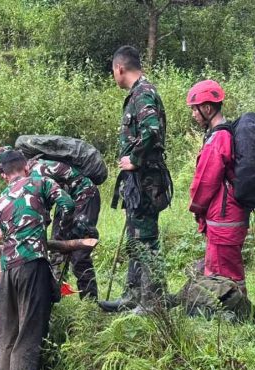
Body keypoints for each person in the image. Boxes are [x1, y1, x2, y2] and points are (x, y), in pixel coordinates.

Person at [0, 149, 75, 370]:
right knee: (30, 327)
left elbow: (6, 232)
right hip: (32, 263)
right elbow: (68, 204)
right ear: (26, 167)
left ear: (5, 175)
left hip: (7, 270)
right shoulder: (42, 182)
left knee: (7, 329)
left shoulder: (1, 200)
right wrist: (49, 219)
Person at [100, 45, 172, 314]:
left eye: (113, 71)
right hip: (138, 183)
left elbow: (152, 130)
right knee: (135, 237)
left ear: (120, 68)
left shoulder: (143, 93)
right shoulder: (139, 93)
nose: (114, 76)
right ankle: (132, 295)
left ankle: (152, 301)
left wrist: (136, 159)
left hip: (146, 180)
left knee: (146, 239)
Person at [0, 146, 100, 299]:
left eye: (2, 170)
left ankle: (90, 301)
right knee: (57, 243)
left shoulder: (35, 175)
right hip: (67, 199)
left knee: (79, 250)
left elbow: (38, 217)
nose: (2, 175)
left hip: (84, 195)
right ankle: (56, 293)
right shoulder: (27, 176)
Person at [186, 80, 249, 293]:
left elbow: (205, 180)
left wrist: (196, 207)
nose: (193, 114)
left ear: (207, 108)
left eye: (195, 109)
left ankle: (236, 316)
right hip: (227, 214)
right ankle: (228, 316)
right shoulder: (224, 133)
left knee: (226, 273)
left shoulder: (218, 138)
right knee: (221, 268)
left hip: (224, 217)